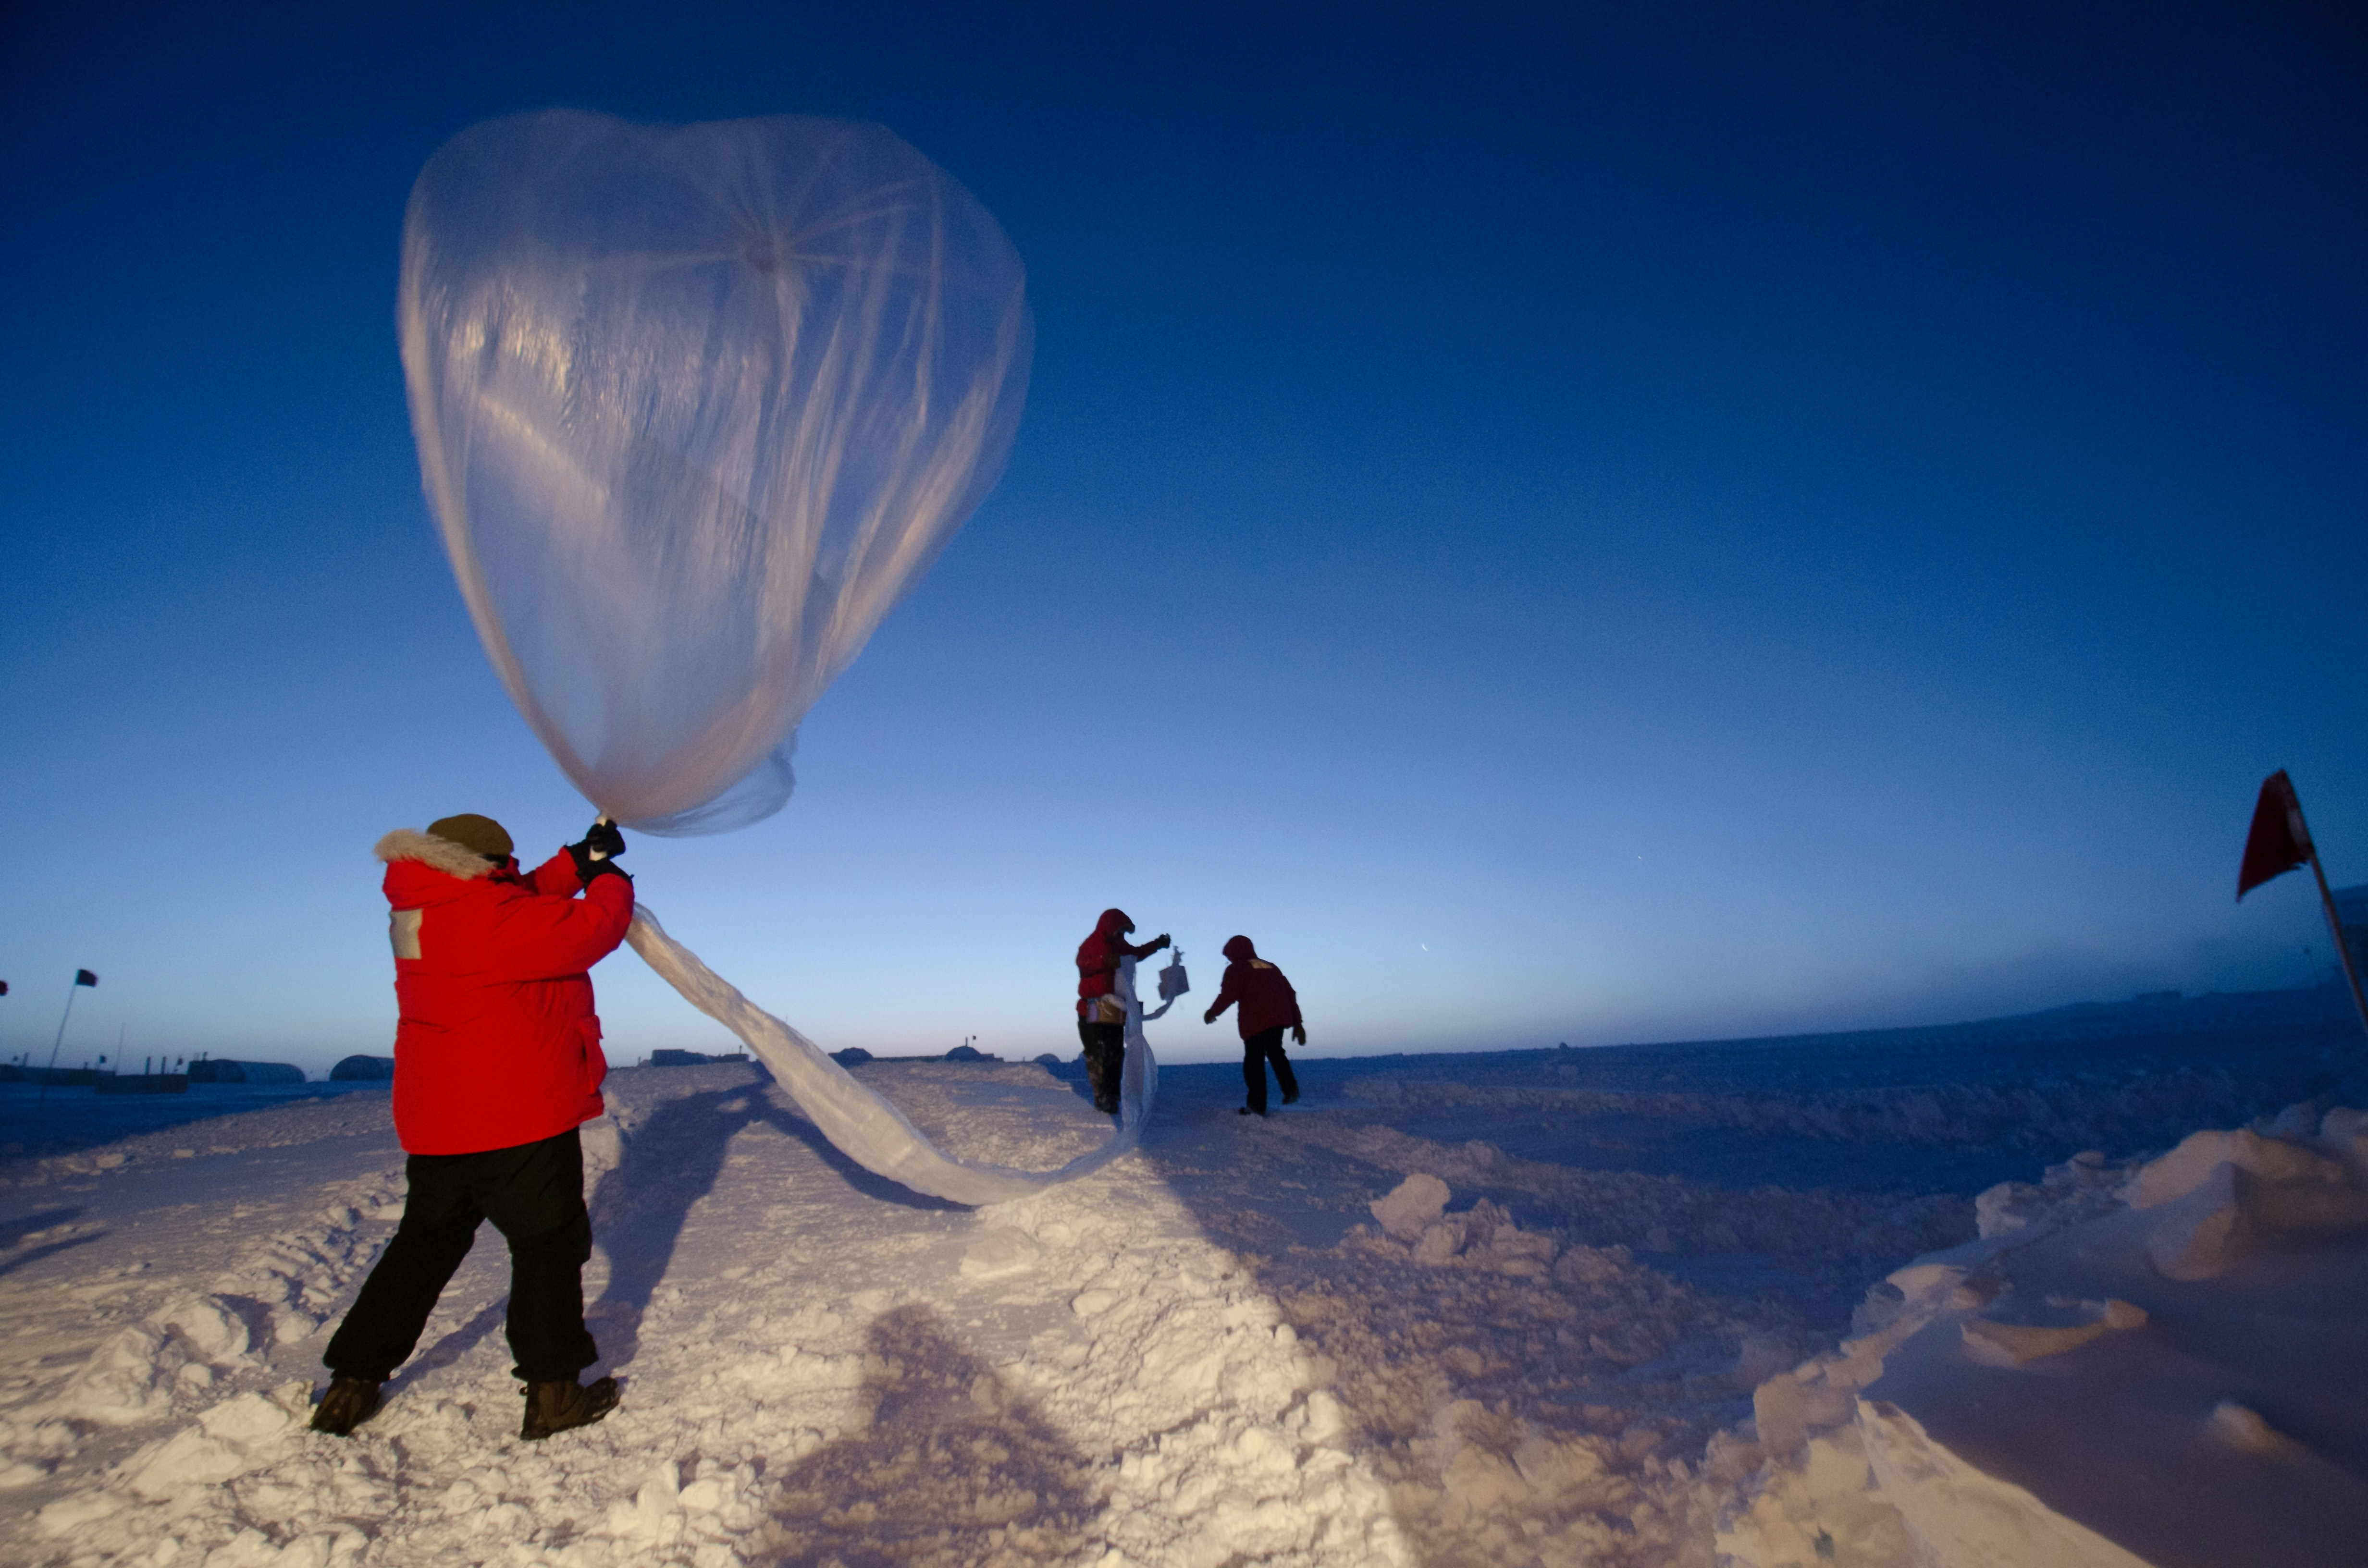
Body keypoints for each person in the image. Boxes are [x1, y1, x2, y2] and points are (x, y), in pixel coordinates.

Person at [311, 812, 635, 1442]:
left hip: (440, 1125)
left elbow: (511, 906)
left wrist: (574, 860)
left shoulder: (419, 912)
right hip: (519, 1121)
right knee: (548, 1249)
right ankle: (554, 1395)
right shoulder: (495, 920)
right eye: (504, 865)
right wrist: (608, 878)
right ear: (485, 866)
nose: (509, 874)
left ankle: (351, 1383)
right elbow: (594, 928)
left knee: (421, 1251)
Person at [1075, 909, 1168, 1115]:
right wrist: (1105, 961)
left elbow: (1136, 955)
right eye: (1119, 931)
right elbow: (1083, 963)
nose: (1122, 936)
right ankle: (1103, 1098)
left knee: (1116, 1053)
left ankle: (1113, 1096)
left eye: (1124, 932)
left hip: (1113, 1010)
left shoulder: (1120, 945)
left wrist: (1157, 945)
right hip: (1091, 1009)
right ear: (1110, 927)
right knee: (1099, 1054)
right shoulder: (1092, 944)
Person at [1204, 935, 1304, 1116]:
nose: (1229, 960)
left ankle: (1257, 1106)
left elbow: (1229, 994)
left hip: (1256, 1020)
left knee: (1254, 1061)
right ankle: (1291, 1091)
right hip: (1279, 1018)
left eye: (1229, 956)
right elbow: (1290, 994)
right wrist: (1298, 1023)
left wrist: (1213, 1012)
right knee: (1276, 1053)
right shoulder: (1271, 967)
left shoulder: (1238, 969)